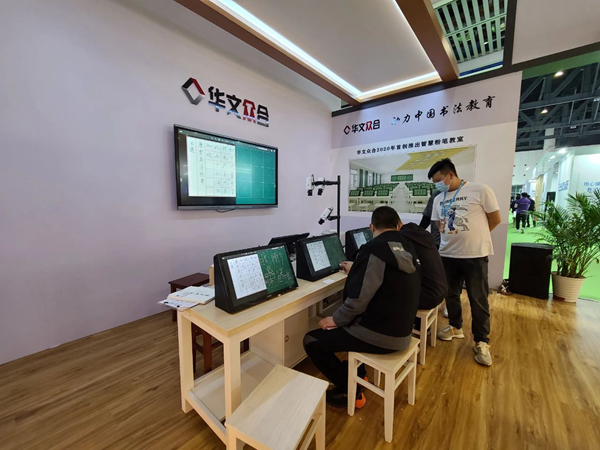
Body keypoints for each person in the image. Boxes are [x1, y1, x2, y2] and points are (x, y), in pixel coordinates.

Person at [303, 206, 421, 408]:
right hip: (403, 329)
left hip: (381, 335)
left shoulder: (373, 251)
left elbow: (359, 299)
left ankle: (350, 391)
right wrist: (357, 268)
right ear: (398, 226)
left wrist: (336, 319)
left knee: (312, 340)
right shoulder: (407, 247)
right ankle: (359, 374)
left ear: (371, 227)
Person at [428, 158, 501, 366]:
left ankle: (481, 341)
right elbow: (438, 224)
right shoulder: (438, 199)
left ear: (450, 175)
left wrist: (476, 238)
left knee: (478, 298)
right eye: (434, 182)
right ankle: (455, 327)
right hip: (447, 254)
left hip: (474, 255)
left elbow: (495, 219)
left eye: (439, 180)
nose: (437, 184)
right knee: (450, 294)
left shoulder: (480, 190)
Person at [400, 221, 447, 330]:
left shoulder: (406, 241)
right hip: (441, 291)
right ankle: (418, 325)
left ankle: (400, 330)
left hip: (428, 297)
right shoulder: (424, 240)